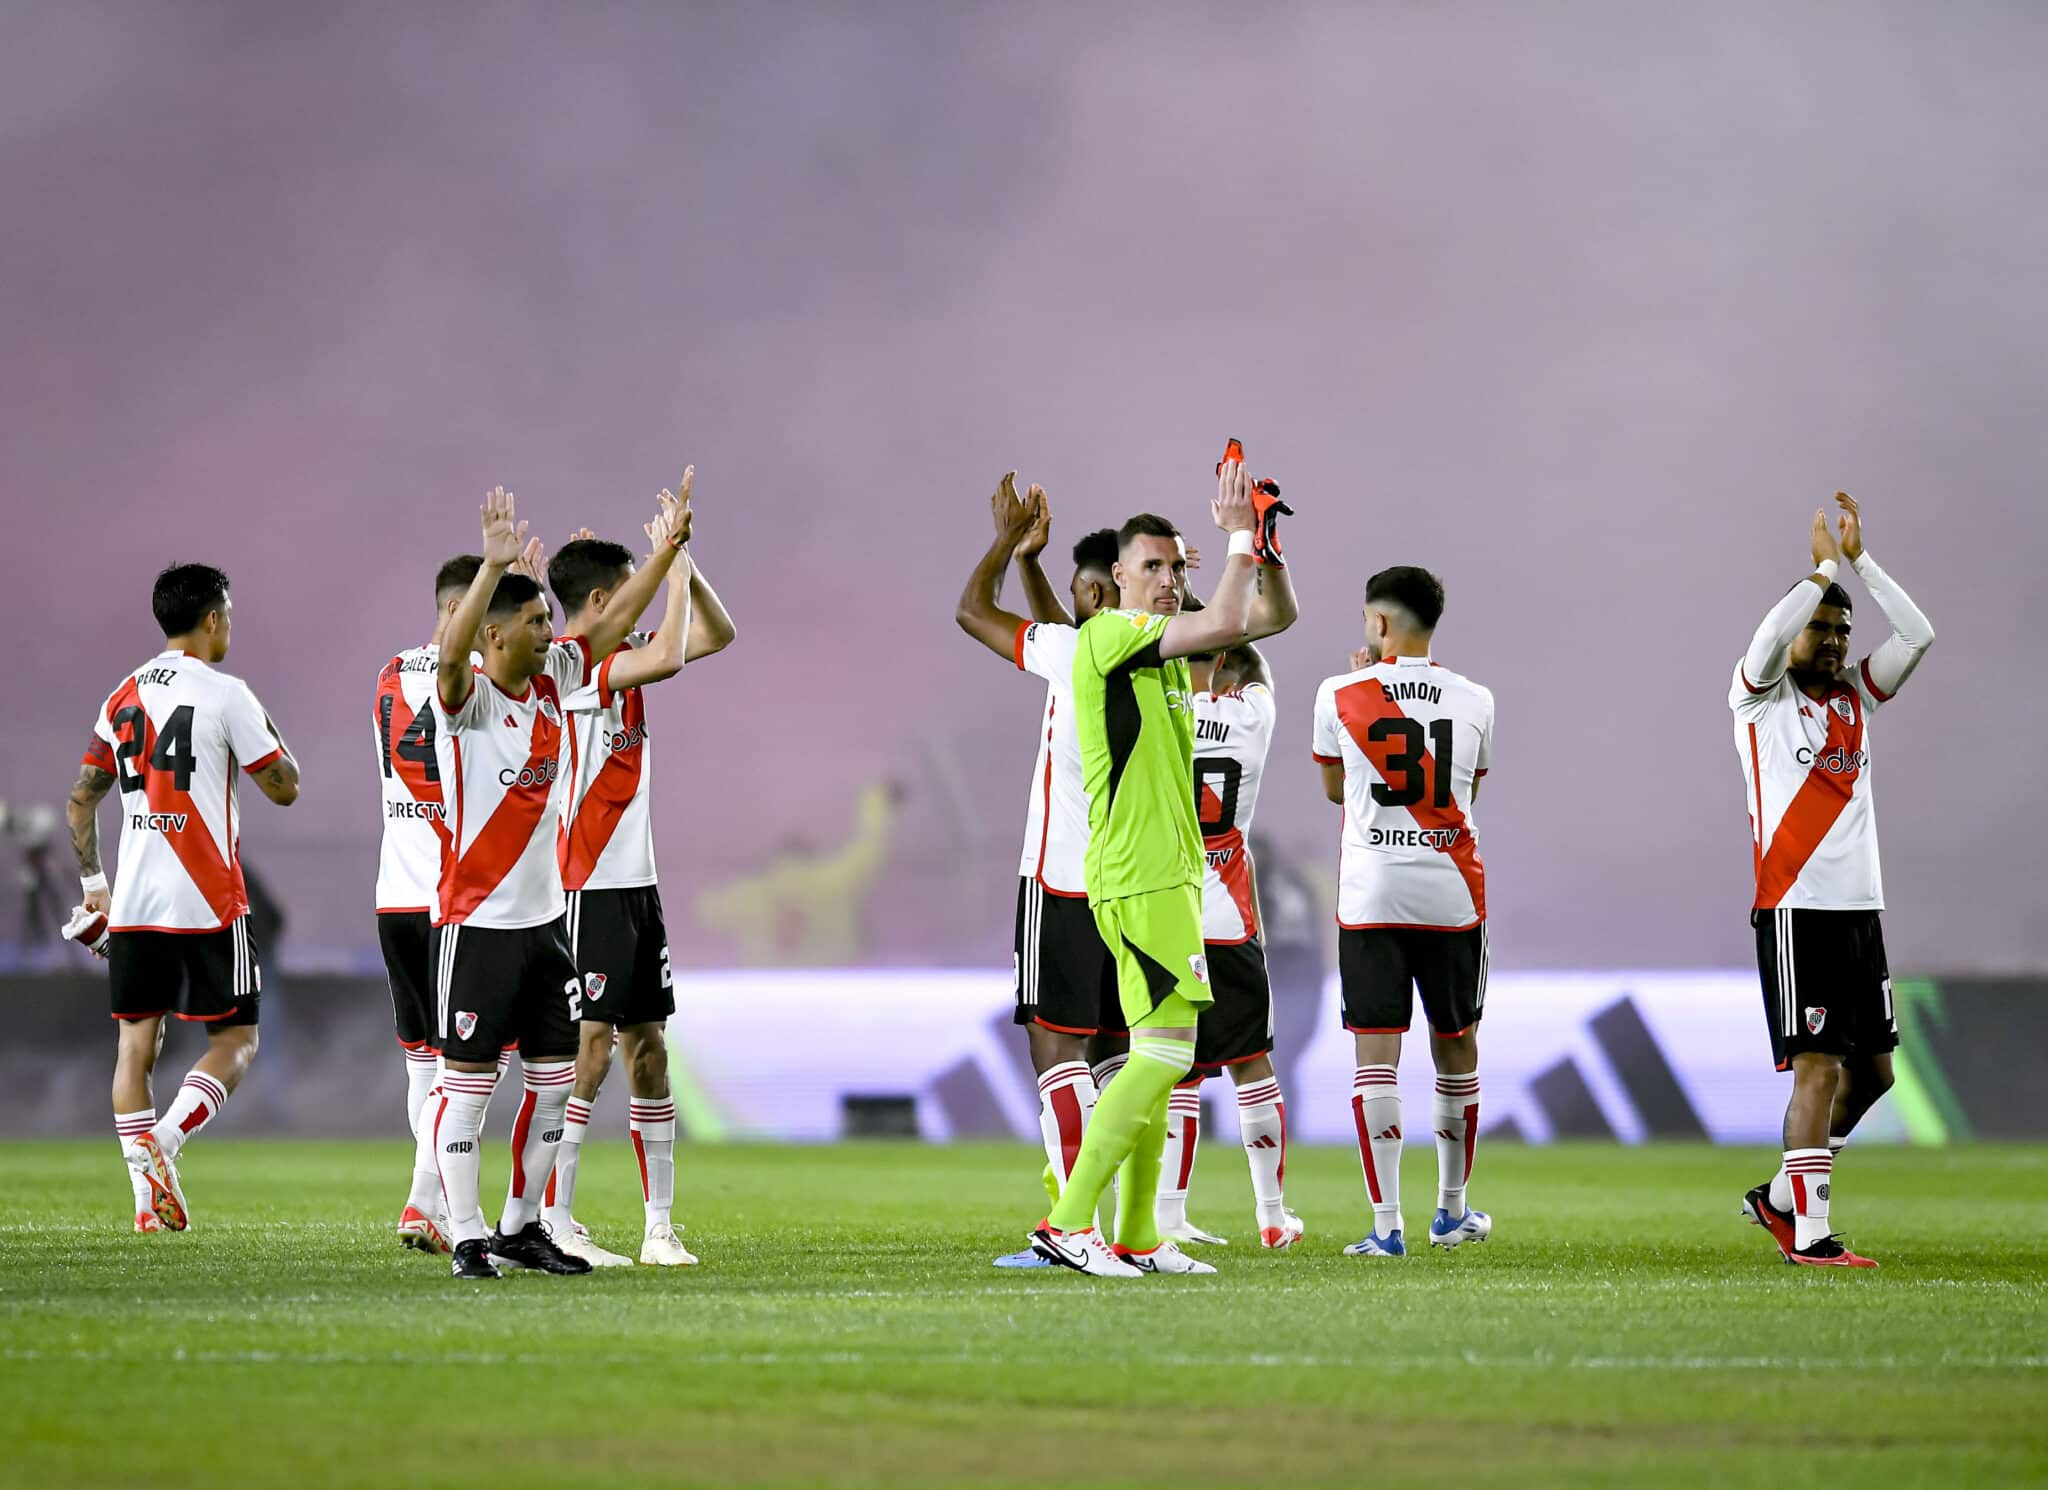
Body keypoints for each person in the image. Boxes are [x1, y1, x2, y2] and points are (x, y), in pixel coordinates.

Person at [427, 484, 685, 1281]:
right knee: (470, 1091)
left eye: (550, 620)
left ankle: (519, 1224)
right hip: (476, 926)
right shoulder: (464, 702)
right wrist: (493, 569)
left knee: (550, 1086)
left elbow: (608, 619)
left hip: (545, 929)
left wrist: (668, 554)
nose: (552, 632)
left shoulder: (558, 681)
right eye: (535, 622)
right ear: (494, 635)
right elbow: (449, 654)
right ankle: (465, 1231)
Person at [1026, 459, 1267, 1278]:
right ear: (1114, 579)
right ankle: (1066, 1222)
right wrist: (1236, 536)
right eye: (1151, 568)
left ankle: (1135, 1238)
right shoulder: (1108, 637)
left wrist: (1261, 536)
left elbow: (1260, 619)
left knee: (1153, 1062)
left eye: (1175, 566)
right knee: (1167, 1054)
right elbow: (1230, 618)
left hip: (1162, 873)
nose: (1167, 580)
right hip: (1142, 875)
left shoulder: (1160, 652)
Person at [538, 473, 738, 1268]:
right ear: (597, 604)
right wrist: (670, 556)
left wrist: (681, 561)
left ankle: (658, 1228)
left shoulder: (622, 655)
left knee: (647, 1047)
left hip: (635, 887)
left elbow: (716, 635)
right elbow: (673, 660)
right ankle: (555, 1217)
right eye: (629, 592)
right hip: (586, 883)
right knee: (589, 1050)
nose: (640, 601)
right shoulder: (574, 667)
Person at [65, 562, 301, 1232]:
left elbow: (82, 799)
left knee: (135, 1049)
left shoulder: (123, 695)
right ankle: (164, 1143)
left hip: (136, 903)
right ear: (213, 619)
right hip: (208, 900)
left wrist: (94, 886)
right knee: (237, 1040)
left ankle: (146, 1202)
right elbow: (285, 786)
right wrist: (260, 721)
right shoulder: (226, 694)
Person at [1730, 493, 1933, 1268]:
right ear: (1795, 634)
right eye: (1822, 626)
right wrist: (1818, 572)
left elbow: (1918, 634)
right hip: (1796, 909)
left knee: (1874, 1074)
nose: (1836, 639)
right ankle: (1810, 1237)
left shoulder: (1856, 700)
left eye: (1844, 630)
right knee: (1817, 1067)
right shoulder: (1756, 698)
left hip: (1859, 911)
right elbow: (1766, 634)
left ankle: (1781, 1197)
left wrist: (1861, 564)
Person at [955, 476, 1126, 1261]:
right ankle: (1128, 1227)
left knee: (1056, 1052)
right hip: (1134, 881)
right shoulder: (1151, 660)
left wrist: (1004, 546)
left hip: (1061, 877)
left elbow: (971, 613)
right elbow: (1068, 637)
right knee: (1121, 1057)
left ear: (1093, 590)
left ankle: (1071, 1227)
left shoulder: (1073, 650)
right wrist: (1035, 568)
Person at [1310, 566, 1494, 1259]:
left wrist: (1366, 693)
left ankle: (1386, 1227)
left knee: (1375, 1062)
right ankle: (1451, 1210)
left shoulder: (1340, 694)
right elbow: (1466, 789)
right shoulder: (1476, 699)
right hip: (1451, 895)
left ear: (1379, 624)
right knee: (1456, 1048)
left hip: (1372, 895)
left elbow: (1336, 789)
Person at [378, 547, 548, 1255]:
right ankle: (432, 1203)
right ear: (465, 615)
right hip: (461, 899)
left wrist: (512, 591)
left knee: (427, 1064)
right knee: (472, 1069)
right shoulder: (475, 683)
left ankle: (427, 1202)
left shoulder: (389, 674)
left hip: (395, 892)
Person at [1158, 623, 1308, 1252]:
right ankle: (1272, 1215)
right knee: (1252, 1066)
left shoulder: (1151, 714)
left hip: (1164, 914)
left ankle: (1165, 1215)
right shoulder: (1252, 717)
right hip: (1229, 917)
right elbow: (1260, 679)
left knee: (1175, 1070)